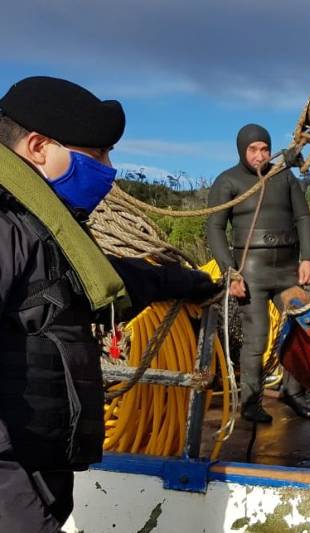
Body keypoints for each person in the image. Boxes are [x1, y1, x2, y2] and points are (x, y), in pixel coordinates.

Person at [0, 76, 219, 530]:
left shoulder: (43, 224)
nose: (108, 168)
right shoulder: (7, 227)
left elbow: (103, 280)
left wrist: (188, 283)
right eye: (97, 154)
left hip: (37, 474)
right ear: (38, 147)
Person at [206, 124, 310, 423]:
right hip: (251, 272)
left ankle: (293, 393)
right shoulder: (227, 181)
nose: (260, 155)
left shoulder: (283, 176)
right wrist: (232, 273)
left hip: (287, 271)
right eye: (253, 149)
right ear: (242, 150)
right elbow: (214, 229)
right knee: (257, 340)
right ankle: (251, 403)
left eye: (265, 149)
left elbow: (303, 217)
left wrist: (308, 258)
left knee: (303, 332)